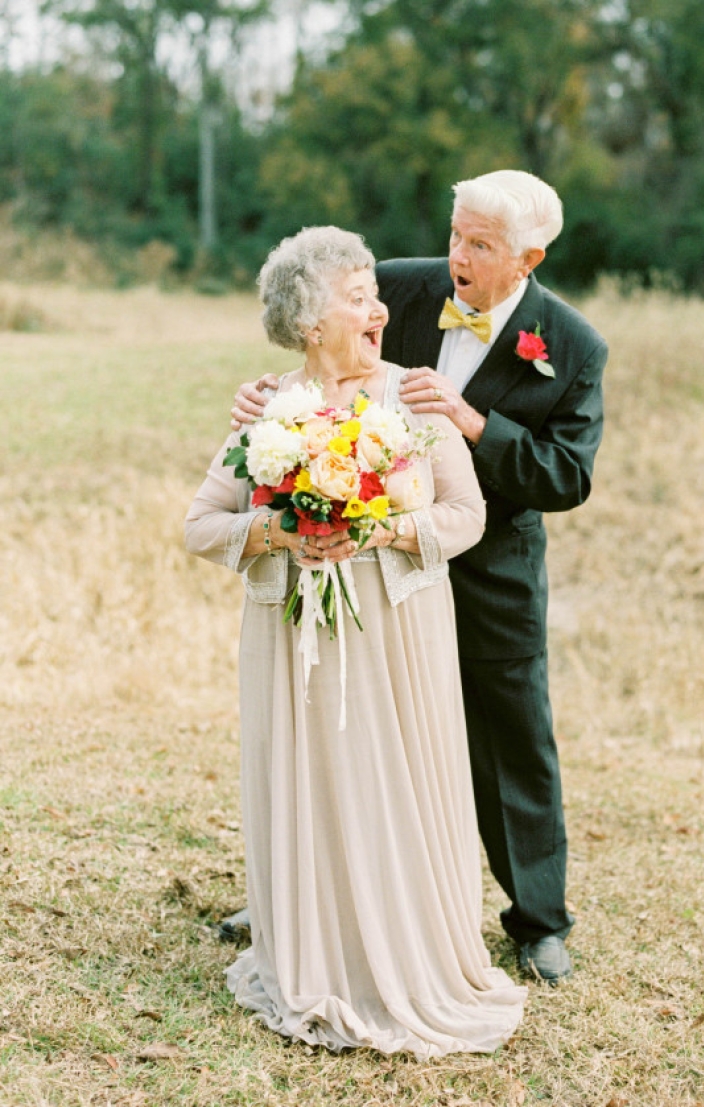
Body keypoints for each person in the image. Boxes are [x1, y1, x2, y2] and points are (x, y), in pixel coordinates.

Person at [230, 170, 608, 984]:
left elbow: (567, 477)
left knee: (512, 744)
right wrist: (266, 400)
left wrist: (473, 422)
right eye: (454, 234)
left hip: (489, 568)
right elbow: (317, 343)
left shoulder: (572, 346)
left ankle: (537, 919)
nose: (456, 256)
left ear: (528, 257)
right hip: (372, 568)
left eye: (479, 245)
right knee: (336, 723)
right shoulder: (397, 288)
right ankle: (297, 899)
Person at [185, 226, 526, 1056]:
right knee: (317, 781)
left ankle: (407, 958)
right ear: (310, 323)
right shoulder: (268, 411)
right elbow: (200, 525)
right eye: (358, 295)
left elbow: (465, 515)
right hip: (294, 635)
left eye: (377, 292)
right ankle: (318, 950)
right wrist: (277, 528)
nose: (378, 309)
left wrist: (375, 530)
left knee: (391, 777)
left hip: (396, 634)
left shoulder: (411, 396)